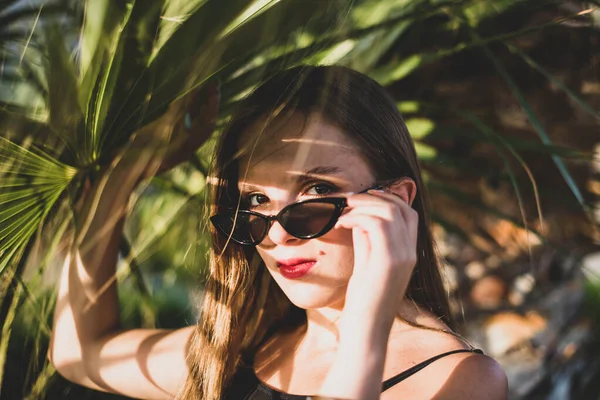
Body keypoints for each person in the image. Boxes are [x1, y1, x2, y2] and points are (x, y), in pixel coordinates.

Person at [49, 65, 508, 400]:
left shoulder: (460, 380)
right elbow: (79, 350)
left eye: (316, 190)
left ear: (396, 200)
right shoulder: (235, 350)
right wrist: (125, 173)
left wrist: (368, 320)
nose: (278, 236)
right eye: (255, 202)